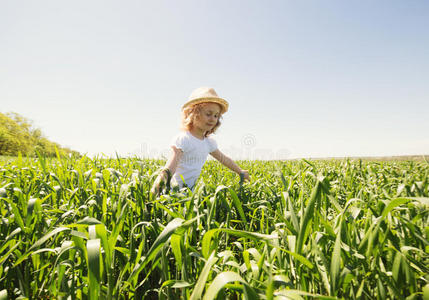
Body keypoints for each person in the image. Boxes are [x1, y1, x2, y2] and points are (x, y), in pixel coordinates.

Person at [151, 87, 250, 195]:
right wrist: (155, 190)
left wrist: (240, 171)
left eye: (216, 116)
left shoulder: (208, 142)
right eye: (208, 114)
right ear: (193, 113)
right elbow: (170, 168)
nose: (212, 119)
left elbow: (223, 159)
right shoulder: (183, 139)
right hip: (172, 193)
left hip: (189, 195)